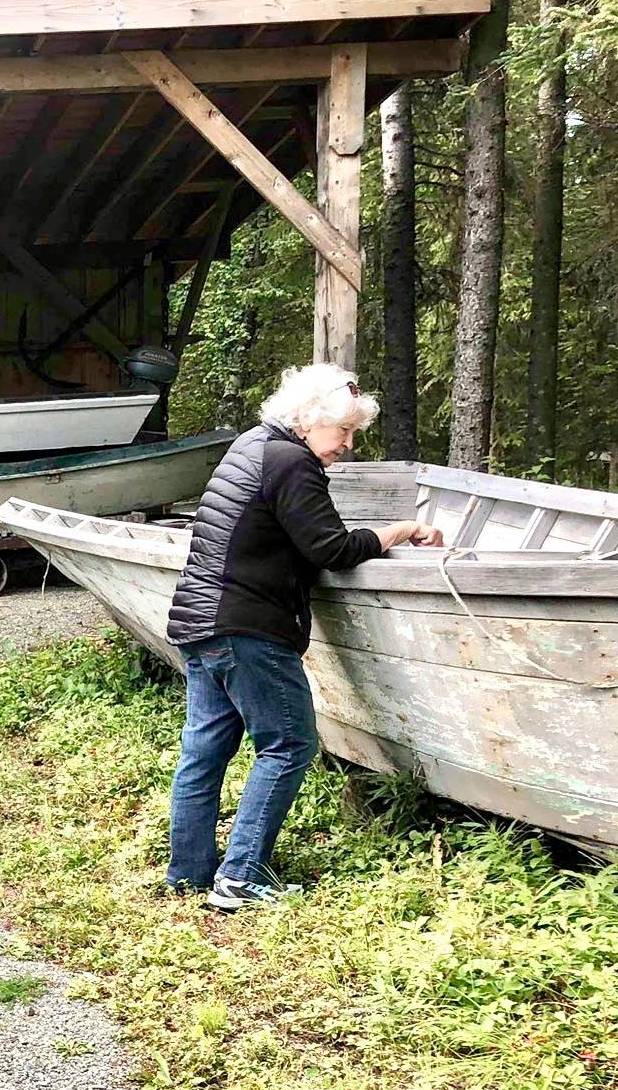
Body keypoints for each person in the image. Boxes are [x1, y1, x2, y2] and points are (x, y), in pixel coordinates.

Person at [164, 364, 444, 910]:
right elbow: (331, 550)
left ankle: (190, 871)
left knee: (205, 749)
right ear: (309, 421)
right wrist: (400, 531)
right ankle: (241, 877)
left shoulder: (252, 446)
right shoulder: (293, 461)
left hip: (199, 620)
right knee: (289, 745)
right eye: (343, 431)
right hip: (247, 627)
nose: (347, 444)